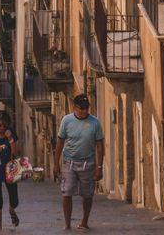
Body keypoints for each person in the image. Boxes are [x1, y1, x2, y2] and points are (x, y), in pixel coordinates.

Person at [53, 93, 105, 232]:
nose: (84, 111)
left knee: (87, 194)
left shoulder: (95, 123)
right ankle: (67, 223)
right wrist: (56, 164)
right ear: (75, 107)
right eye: (81, 108)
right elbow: (59, 142)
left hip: (88, 163)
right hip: (69, 161)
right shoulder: (66, 121)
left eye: (86, 108)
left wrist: (99, 167)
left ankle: (84, 222)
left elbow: (100, 145)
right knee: (66, 192)